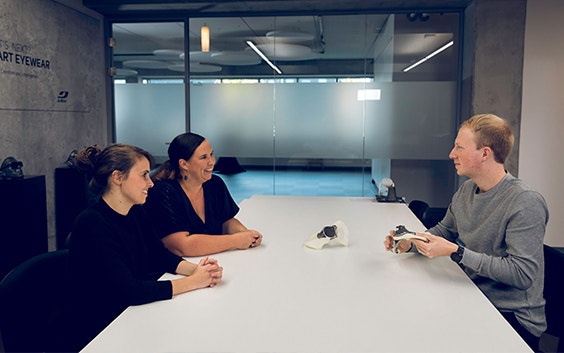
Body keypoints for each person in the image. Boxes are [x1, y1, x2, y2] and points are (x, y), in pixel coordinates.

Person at [384, 114, 548, 352]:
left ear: (485, 153)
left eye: (460, 147)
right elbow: (445, 231)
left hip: (511, 318)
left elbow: (522, 274)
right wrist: (410, 241)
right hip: (473, 294)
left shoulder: (525, 202)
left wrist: (457, 252)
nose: (452, 154)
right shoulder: (467, 191)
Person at [52, 143, 223, 352]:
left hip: (129, 316)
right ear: (117, 177)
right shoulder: (92, 223)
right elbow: (131, 291)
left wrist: (196, 270)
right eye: (144, 175)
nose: (151, 183)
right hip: (99, 332)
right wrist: (194, 282)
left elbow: (160, 255)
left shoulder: (135, 212)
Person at [145, 132, 263, 256]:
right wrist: (235, 240)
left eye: (211, 154)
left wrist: (246, 234)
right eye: (203, 157)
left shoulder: (214, 184)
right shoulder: (163, 192)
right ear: (184, 164)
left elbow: (225, 221)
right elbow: (181, 247)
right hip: (171, 270)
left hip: (213, 260)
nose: (211, 161)